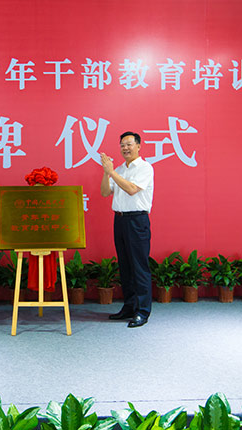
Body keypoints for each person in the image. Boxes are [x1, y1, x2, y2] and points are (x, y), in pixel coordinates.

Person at [99, 131, 154, 328]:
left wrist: (112, 172)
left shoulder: (145, 168)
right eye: (122, 145)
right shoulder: (119, 169)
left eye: (129, 144)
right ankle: (129, 307)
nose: (125, 148)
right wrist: (106, 172)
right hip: (120, 220)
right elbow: (105, 192)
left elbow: (131, 189)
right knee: (125, 266)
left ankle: (143, 311)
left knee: (139, 266)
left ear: (138, 146)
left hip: (137, 220)